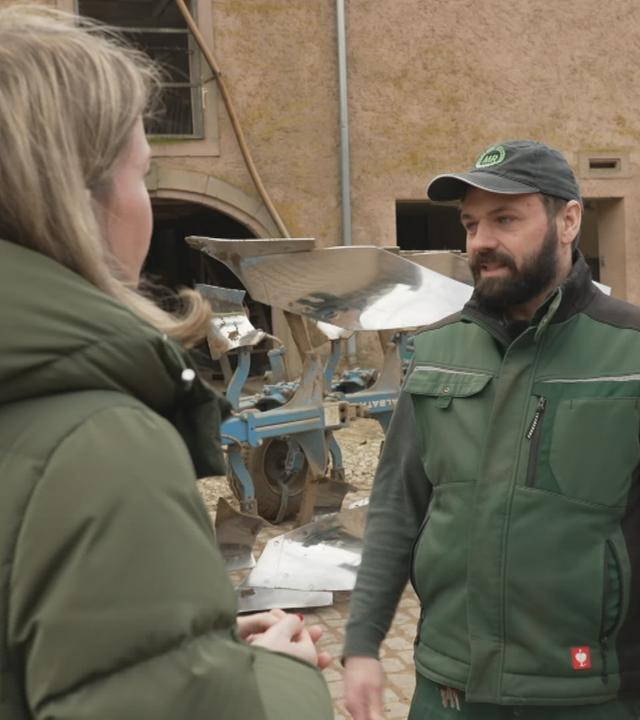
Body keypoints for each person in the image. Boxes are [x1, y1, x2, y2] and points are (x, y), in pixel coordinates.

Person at [0, 5, 333, 719]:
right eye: (142, 176)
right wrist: (284, 676)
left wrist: (191, 655)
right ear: (78, 199)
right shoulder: (98, 445)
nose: (147, 208)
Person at [343, 140, 640, 719]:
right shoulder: (436, 350)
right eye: (471, 223)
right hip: (450, 686)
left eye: (505, 219)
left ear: (568, 221)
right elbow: (397, 507)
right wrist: (361, 644)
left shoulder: (630, 352)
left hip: (591, 692)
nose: (480, 241)